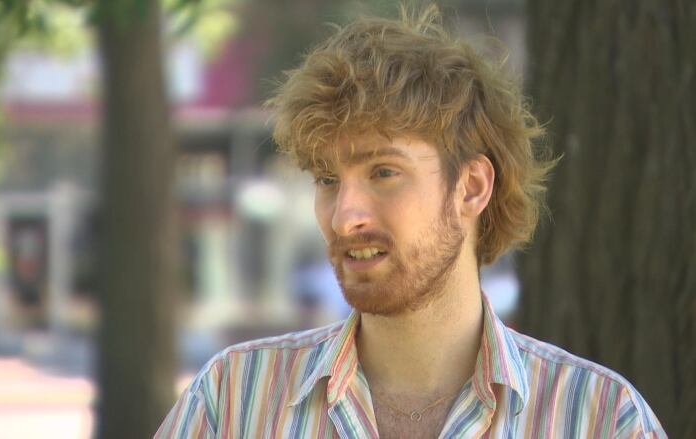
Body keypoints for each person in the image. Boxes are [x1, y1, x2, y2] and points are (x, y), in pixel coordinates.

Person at [155, 6, 665, 438]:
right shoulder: (234, 400)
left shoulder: (599, 418)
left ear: (471, 187)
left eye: (383, 172)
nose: (345, 216)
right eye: (328, 179)